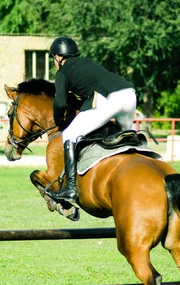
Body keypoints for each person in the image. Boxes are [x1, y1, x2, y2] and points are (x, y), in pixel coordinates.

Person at [49, 37, 137, 203]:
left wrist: (57, 119)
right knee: (128, 137)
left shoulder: (62, 72)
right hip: (129, 94)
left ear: (59, 58)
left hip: (110, 98)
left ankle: (71, 188)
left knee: (69, 135)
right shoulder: (87, 62)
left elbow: (60, 102)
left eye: (53, 58)